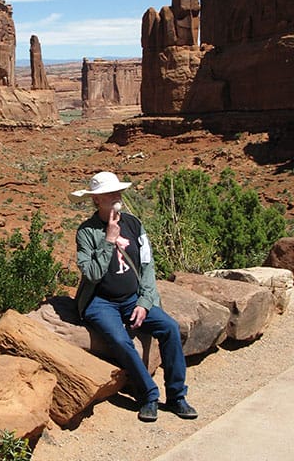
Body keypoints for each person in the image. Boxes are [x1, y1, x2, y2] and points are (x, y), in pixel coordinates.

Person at [69, 172, 197, 422]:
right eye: (110, 193)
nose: (117, 196)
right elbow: (93, 274)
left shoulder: (134, 223)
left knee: (169, 327)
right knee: (120, 339)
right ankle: (148, 395)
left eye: (118, 191)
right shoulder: (86, 232)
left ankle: (177, 396)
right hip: (100, 301)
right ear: (96, 200)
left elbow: (148, 265)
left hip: (132, 298)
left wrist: (145, 302)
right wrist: (109, 239)